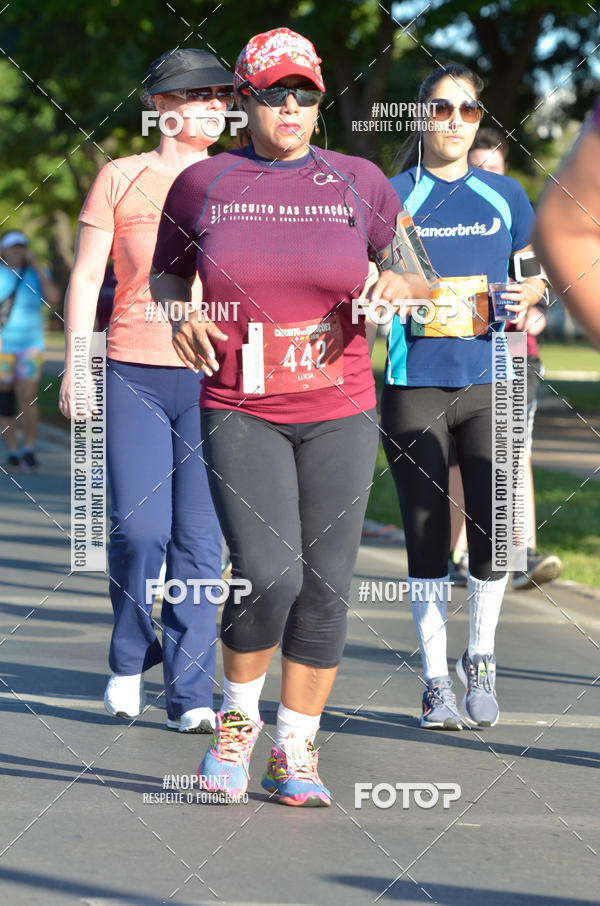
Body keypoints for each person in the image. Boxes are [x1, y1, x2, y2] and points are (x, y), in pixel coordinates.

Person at [150, 27, 429, 806]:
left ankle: (295, 751)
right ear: (246, 101)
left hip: (341, 406)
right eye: (275, 94)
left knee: (326, 588)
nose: (292, 107)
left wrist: (391, 292)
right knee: (270, 575)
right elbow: (166, 277)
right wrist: (180, 318)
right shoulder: (205, 183)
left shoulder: (360, 181)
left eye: (304, 93)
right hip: (242, 405)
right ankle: (238, 725)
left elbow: (414, 277)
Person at [59, 49, 231, 732]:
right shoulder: (119, 177)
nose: (218, 107)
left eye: (223, 96)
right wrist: (78, 365)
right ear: (162, 107)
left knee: (200, 541)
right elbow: (82, 279)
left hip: (216, 378)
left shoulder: (240, 178)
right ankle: (131, 655)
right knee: (138, 530)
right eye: (202, 96)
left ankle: (191, 693)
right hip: (133, 367)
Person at [382, 64, 548, 730]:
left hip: (491, 384)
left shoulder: (505, 194)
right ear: (421, 115)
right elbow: (363, 278)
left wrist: (535, 293)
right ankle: (432, 681)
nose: (455, 121)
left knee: (492, 534)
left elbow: (533, 272)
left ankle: (480, 656)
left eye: (469, 110)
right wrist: (382, 293)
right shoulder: (389, 194)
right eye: (442, 109)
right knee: (426, 539)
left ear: (480, 119)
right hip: (413, 382)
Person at [447, 127, 562, 591]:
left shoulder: (514, 210)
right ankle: (453, 553)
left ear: (505, 171)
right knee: (459, 459)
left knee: (513, 448)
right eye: (477, 167)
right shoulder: (444, 214)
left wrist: (535, 305)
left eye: (492, 166)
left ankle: (521, 553)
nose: (485, 174)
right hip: (455, 350)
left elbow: (538, 276)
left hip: (512, 349)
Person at [533, 98, 600, 347]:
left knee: (510, 387)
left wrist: (531, 302)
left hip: (512, 337)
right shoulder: (408, 191)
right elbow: (558, 233)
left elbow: (528, 268)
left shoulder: (510, 195)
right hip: (428, 352)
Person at [0, 230, 60, 470]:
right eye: (13, 246)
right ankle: (12, 449)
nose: (18, 250)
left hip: (30, 345)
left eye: (21, 246)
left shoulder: (37, 274)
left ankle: (29, 447)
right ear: (4, 250)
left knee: (28, 395)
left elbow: (54, 297)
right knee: (5, 398)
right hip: (4, 346)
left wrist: (37, 267)